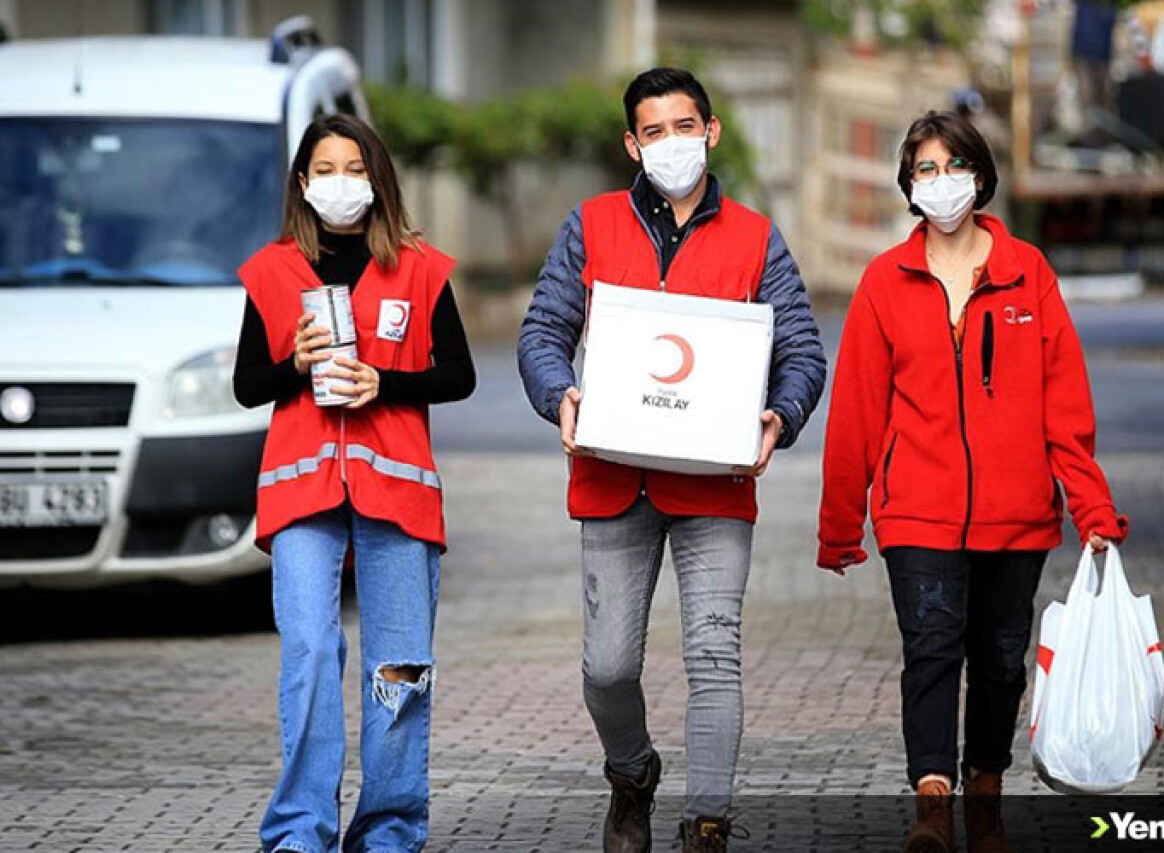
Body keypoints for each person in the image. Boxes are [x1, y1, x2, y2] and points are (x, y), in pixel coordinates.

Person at [518, 68, 826, 851]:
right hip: (612, 477)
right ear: (633, 143)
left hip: (715, 483)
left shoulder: (757, 237)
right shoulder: (590, 224)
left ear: (711, 131)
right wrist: (559, 393)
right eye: (653, 132)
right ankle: (632, 770)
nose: (671, 144)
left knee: (714, 651)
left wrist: (780, 417)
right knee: (608, 667)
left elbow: (801, 350)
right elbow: (542, 331)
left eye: (684, 127)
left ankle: (708, 820)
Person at [817, 111, 1128, 853]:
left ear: (979, 176)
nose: (940, 181)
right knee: (931, 649)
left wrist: (1093, 509)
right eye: (924, 169)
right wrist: (839, 525)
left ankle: (984, 790)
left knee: (998, 659)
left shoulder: (1029, 274)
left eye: (952, 165)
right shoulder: (884, 282)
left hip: (1017, 515)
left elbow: (1066, 407)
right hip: (916, 514)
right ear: (909, 187)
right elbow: (857, 409)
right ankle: (932, 799)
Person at [233, 113, 475, 853]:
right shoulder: (271, 272)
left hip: (396, 495)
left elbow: (459, 375)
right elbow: (247, 385)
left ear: (378, 181)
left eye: (355, 169)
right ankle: (300, 830)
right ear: (303, 184)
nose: (341, 183)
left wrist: (385, 381)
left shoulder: (420, 267)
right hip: (301, 493)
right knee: (308, 650)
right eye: (326, 170)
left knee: (397, 669)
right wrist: (295, 366)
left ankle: (389, 830)